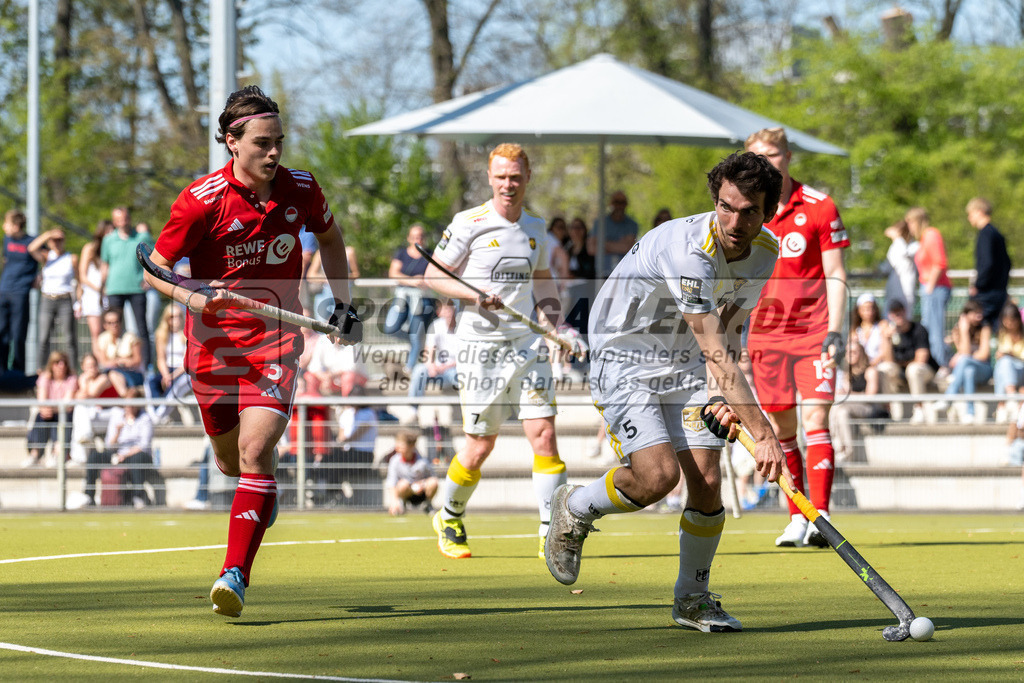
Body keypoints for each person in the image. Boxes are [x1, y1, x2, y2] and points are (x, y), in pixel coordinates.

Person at [543, 151, 786, 633]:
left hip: (688, 360)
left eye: (749, 211)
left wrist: (723, 394)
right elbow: (715, 348)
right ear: (715, 200)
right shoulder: (688, 250)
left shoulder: (765, 252)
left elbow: (731, 330)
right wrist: (762, 433)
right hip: (623, 352)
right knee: (657, 478)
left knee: (707, 480)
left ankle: (692, 601)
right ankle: (573, 509)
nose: (735, 221)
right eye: (725, 206)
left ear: (767, 213)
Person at [142, 85, 361, 618]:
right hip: (212, 349)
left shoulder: (302, 189)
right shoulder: (199, 201)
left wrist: (345, 305)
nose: (274, 153)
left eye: (279, 142)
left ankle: (234, 574)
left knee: (253, 454)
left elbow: (331, 242)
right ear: (230, 143)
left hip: (276, 344)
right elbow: (152, 269)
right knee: (226, 459)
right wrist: (193, 296)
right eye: (262, 143)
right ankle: (259, 496)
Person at [424, 142, 583, 560]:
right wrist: (474, 295)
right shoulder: (469, 222)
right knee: (480, 445)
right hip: (481, 347)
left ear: (526, 178)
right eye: (501, 177)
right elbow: (433, 277)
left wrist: (557, 325)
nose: (508, 184)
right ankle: (449, 514)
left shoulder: (536, 227)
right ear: (490, 178)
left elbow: (544, 279)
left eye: (515, 177)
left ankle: (552, 530)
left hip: (527, 345)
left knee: (545, 434)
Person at [744, 127, 850, 549]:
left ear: (787, 157)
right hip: (765, 338)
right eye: (756, 156)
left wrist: (838, 331)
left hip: (813, 334)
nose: (765, 163)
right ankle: (796, 516)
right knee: (782, 431)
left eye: (772, 155)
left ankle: (821, 517)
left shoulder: (820, 207)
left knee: (816, 422)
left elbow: (836, 273)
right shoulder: (744, 210)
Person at [100, 206, 154, 368]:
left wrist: (149, 279)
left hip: (136, 288)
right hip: (115, 288)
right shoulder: (108, 240)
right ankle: (114, 363)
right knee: (114, 327)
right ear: (114, 221)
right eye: (118, 218)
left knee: (141, 327)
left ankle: (146, 366)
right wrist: (102, 286)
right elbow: (105, 264)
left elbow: (155, 258)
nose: (122, 221)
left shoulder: (142, 236)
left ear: (129, 218)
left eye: (124, 217)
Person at [385, 224, 438, 374]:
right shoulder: (401, 253)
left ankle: (410, 369)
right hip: (403, 297)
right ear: (409, 238)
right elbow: (393, 273)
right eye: (414, 237)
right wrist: (412, 281)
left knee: (417, 336)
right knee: (390, 328)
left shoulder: (431, 255)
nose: (418, 240)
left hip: (423, 300)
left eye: (420, 237)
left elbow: (436, 275)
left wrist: (425, 281)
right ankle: (417, 342)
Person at [876, 299, 938, 423]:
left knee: (913, 369)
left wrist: (902, 363)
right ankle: (886, 410)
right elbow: (889, 361)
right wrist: (886, 338)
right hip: (902, 372)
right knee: (883, 368)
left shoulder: (918, 329)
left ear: (905, 312)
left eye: (899, 312)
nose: (897, 316)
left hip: (925, 371)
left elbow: (921, 358)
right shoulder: (890, 332)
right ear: (890, 315)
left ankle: (919, 408)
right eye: (894, 313)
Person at [906, 206, 951, 368]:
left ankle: (941, 364)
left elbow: (940, 263)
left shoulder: (931, 235)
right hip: (929, 288)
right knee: (929, 328)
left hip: (936, 288)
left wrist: (930, 287)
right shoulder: (923, 238)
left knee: (935, 330)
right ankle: (936, 363)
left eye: (910, 222)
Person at [934, 299, 993, 423]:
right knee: (968, 371)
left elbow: (983, 355)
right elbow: (966, 351)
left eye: (980, 313)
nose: (979, 316)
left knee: (965, 361)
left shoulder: (985, 328)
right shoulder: (959, 330)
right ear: (965, 315)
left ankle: (948, 398)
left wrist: (967, 356)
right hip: (970, 370)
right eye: (976, 313)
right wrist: (964, 331)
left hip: (984, 370)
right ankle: (970, 412)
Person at [29, 228, 79, 372]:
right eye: (54, 240)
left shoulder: (71, 258)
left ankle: (73, 372)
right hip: (47, 299)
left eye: (59, 240)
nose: (56, 243)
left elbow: (78, 281)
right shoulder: (46, 257)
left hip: (65, 299)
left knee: (69, 338)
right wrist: (48, 234)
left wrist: (78, 302)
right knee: (44, 337)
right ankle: (41, 371)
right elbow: (31, 249)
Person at [830, 338, 884, 463]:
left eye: (854, 352)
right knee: (841, 412)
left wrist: (846, 394)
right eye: (848, 352)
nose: (850, 355)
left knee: (838, 407)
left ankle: (843, 449)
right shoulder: (846, 373)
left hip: (869, 408)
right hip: (849, 408)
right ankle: (844, 450)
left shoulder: (870, 371)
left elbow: (870, 396)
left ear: (861, 353)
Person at [104, 387, 158, 509]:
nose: (129, 407)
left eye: (133, 403)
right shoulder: (117, 417)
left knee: (136, 459)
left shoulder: (145, 419)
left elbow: (143, 445)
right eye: (127, 403)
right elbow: (109, 444)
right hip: (118, 454)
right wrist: (117, 433)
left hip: (138, 455)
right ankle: (89, 495)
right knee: (95, 456)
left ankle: (138, 496)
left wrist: (124, 455)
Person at [0, 209, 39, 374]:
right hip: (4, 291)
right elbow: (5, 260)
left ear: (16, 225)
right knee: (2, 332)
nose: (3, 227)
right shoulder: (7, 240)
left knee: (18, 335)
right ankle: (2, 371)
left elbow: (42, 256)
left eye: (6, 223)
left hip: (20, 292)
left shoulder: (32, 241)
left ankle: (17, 371)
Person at [24, 351, 77, 467]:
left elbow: (67, 404)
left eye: (64, 363)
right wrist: (47, 409)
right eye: (57, 362)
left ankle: (56, 453)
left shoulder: (71, 379)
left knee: (60, 418)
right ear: (52, 365)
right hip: (51, 413)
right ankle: (35, 454)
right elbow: (42, 400)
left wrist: (50, 408)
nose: (61, 366)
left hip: (65, 414)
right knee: (41, 416)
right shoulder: (45, 378)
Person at [966, 197, 1011, 330]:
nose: (969, 218)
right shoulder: (996, 233)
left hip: (986, 292)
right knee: (999, 329)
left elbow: (987, 263)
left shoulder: (985, 234)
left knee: (971, 324)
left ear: (979, 212)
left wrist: (978, 285)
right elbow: (1007, 263)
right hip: (999, 290)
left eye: (970, 214)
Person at [148, 304, 194, 425]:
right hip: (167, 370)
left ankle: (158, 416)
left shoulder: (187, 334)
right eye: (172, 317)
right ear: (167, 319)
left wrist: (172, 376)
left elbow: (188, 361)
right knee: (151, 382)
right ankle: (155, 413)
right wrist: (166, 375)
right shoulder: (162, 335)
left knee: (176, 386)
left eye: (179, 316)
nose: (176, 320)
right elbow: (161, 359)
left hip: (183, 371)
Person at [408, 299, 459, 405]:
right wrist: (431, 367)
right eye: (445, 309)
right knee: (419, 370)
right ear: (439, 313)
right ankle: (413, 409)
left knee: (463, 376)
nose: (449, 312)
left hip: (455, 370)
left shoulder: (463, 327)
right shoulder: (436, 326)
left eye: (450, 309)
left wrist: (447, 366)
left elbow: (465, 358)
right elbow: (428, 352)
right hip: (439, 370)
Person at [385, 429, 439, 515]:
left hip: (421, 492)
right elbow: (391, 482)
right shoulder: (394, 461)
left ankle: (427, 505)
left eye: (401, 444)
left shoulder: (422, 461)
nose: (397, 446)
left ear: (411, 446)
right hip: (406, 492)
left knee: (433, 482)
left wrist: (422, 483)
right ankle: (401, 504)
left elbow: (432, 477)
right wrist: (394, 501)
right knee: (403, 484)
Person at [79, 220, 113, 351]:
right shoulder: (90, 249)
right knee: (96, 333)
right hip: (93, 295)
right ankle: (99, 363)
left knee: (110, 332)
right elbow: (83, 276)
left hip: (109, 294)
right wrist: (99, 289)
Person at [94, 308, 145, 395]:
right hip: (110, 373)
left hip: (131, 373)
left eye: (116, 322)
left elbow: (137, 361)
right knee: (104, 377)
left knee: (112, 375)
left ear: (120, 323)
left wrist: (122, 362)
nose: (114, 325)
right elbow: (103, 362)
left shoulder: (131, 337)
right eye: (110, 323)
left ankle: (125, 397)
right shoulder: (103, 338)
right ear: (105, 325)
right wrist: (119, 361)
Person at [591, 190, 639, 277]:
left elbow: (627, 248)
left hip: (624, 275)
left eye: (622, 202)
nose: (619, 206)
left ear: (626, 204)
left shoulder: (632, 224)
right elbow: (591, 248)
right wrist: (619, 244)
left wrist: (602, 243)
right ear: (611, 203)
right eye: (617, 202)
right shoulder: (599, 223)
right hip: (602, 275)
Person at [993, 302, 1024, 422]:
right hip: (1009, 372)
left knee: (1004, 363)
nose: (1009, 325)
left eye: (1012, 321)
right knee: (1003, 364)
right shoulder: (1002, 333)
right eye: (1006, 321)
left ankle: (1002, 404)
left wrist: (1011, 355)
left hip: (1021, 371)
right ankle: (1010, 397)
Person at [881, 218, 917, 314]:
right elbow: (887, 266)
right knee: (889, 314)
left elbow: (903, 253)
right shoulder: (895, 246)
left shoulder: (914, 246)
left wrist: (897, 238)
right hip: (893, 286)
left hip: (906, 288)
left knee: (905, 314)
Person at [852, 293, 884, 367]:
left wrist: (870, 365)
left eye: (872, 308)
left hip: (877, 367)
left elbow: (884, 352)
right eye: (865, 309)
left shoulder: (881, 326)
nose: (869, 312)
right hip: (859, 367)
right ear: (858, 311)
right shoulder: (855, 331)